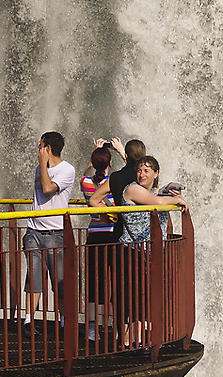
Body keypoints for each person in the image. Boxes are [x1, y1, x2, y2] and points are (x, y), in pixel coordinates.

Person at [90, 155, 186, 347]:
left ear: (156, 173)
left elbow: (157, 197)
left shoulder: (152, 191)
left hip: (148, 252)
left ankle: (139, 340)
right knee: (130, 299)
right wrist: (178, 200)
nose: (142, 174)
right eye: (140, 170)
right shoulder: (132, 189)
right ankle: (126, 342)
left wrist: (173, 195)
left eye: (146, 170)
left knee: (142, 299)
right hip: (131, 251)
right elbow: (156, 202)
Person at [23, 131, 76, 331]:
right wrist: (43, 165)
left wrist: (43, 165)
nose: (38, 149)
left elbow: (47, 189)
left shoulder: (66, 170)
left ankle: (64, 321)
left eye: (41, 145)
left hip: (55, 232)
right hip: (34, 230)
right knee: (33, 277)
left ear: (48, 148)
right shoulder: (40, 167)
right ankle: (29, 319)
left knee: (59, 279)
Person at [80, 144, 115, 341]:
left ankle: (93, 329)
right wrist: (120, 152)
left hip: (93, 236)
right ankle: (114, 325)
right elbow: (132, 177)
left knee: (95, 283)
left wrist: (94, 154)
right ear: (110, 163)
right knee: (117, 281)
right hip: (112, 235)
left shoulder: (86, 182)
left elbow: (85, 172)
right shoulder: (114, 182)